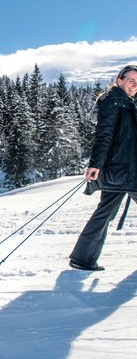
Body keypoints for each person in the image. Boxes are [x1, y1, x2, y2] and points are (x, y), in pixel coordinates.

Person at [69, 65, 137, 271]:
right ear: (119, 80)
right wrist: (95, 165)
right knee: (104, 214)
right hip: (122, 171)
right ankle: (82, 259)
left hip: (125, 170)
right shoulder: (114, 102)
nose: (135, 85)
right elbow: (104, 135)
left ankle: (83, 259)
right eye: (131, 80)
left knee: (104, 213)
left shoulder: (127, 103)